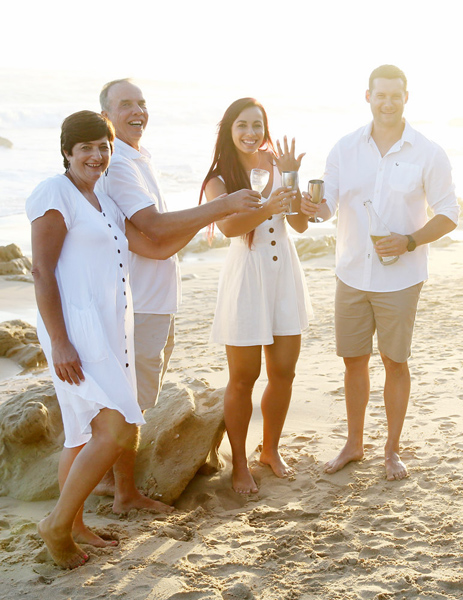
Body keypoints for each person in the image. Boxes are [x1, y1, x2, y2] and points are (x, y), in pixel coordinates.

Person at [29, 111, 198, 568]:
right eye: (85, 147)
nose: (96, 155)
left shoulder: (103, 198)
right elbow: (42, 270)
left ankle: (75, 525)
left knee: (81, 432)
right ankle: (57, 524)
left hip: (108, 329)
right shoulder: (54, 192)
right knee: (118, 426)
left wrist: (212, 214)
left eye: (103, 147)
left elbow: (157, 247)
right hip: (76, 331)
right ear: (67, 151)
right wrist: (60, 342)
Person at [98, 79, 260, 510]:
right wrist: (222, 206)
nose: (138, 111)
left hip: (154, 298)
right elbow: (156, 228)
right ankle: (124, 493)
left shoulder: (137, 158)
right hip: (138, 302)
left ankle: (113, 483)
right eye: (126, 104)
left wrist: (203, 218)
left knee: (137, 398)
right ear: (105, 116)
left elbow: (160, 239)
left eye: (141, 102)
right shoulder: (118, 164)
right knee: (131, 401)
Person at [300, 65, 459, 481]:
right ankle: (354, 444)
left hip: (401, 279)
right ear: (367, 96)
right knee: (353, 362)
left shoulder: (428, 152)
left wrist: (410, 240)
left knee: (394, 362)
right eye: (380, 95)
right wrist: (311, 207)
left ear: (406, 97)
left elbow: (449, 214)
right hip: (351, 272)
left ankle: (391, 450)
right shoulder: (345, 147)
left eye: (395, 95)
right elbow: (326, 207)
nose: (388, 103)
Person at [202, 98, 313, 494]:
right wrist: (268, 207)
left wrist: (293, 178)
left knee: (283, 371)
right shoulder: (218, 179)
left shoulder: (277, 165)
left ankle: (270, 450)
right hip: (247, 277)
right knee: (243, 378)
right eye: (242, 125)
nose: (251, 133)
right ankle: (239, 464)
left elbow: (299, 225)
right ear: (229, 130)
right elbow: (230, 228)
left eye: (257, 125)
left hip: (283, 274)